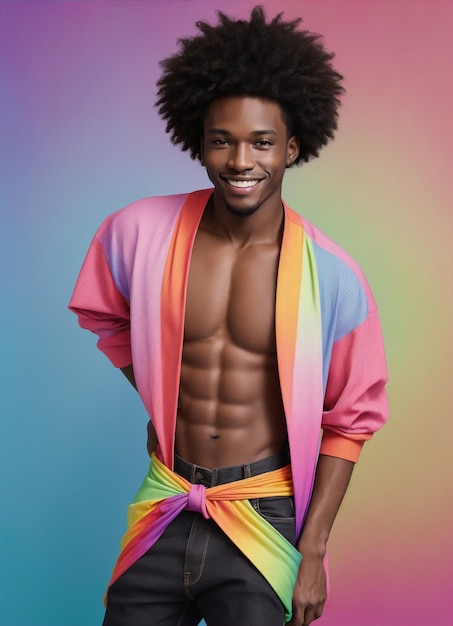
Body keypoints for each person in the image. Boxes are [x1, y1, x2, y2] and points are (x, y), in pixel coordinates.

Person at [69, 6, 388, 626]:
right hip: (167, 494)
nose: (241, 159)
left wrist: (315, 551)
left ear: (293, 147)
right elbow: (106, 317)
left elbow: (351, 420)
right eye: (223, 140)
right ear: (199, 142)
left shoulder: (335, 275)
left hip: (263, 511)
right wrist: (162, 394)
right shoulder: (135, 232)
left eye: (263, 142)